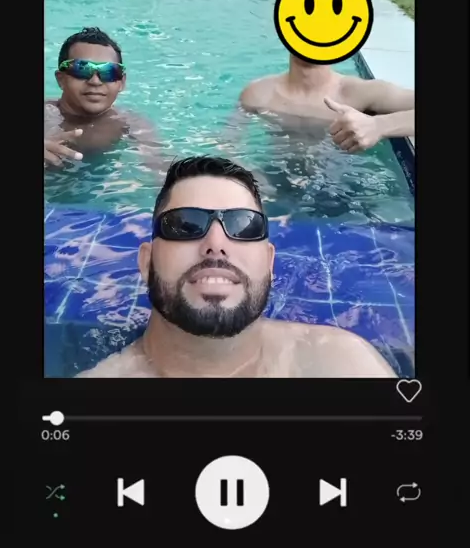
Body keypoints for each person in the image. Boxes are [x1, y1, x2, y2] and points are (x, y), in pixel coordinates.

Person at [77, 155, 396, 378]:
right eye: (186, 224)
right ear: (146, 262)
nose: (216, 244)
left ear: (270, 262)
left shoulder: (342, 364)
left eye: (244, 225)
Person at [44, 27, 169, 172]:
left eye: (109, 72)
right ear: (61, 79)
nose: (95, 81)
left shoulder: (131, 125)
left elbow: (162, 169)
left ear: (121, 83)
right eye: (82, 69)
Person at [237, 54, 414, 153]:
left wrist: (380, 125)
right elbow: (229, 145)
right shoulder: (257, 93)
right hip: (273, 183)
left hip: (344, 188)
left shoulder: (363, 93)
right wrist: (249, 176)